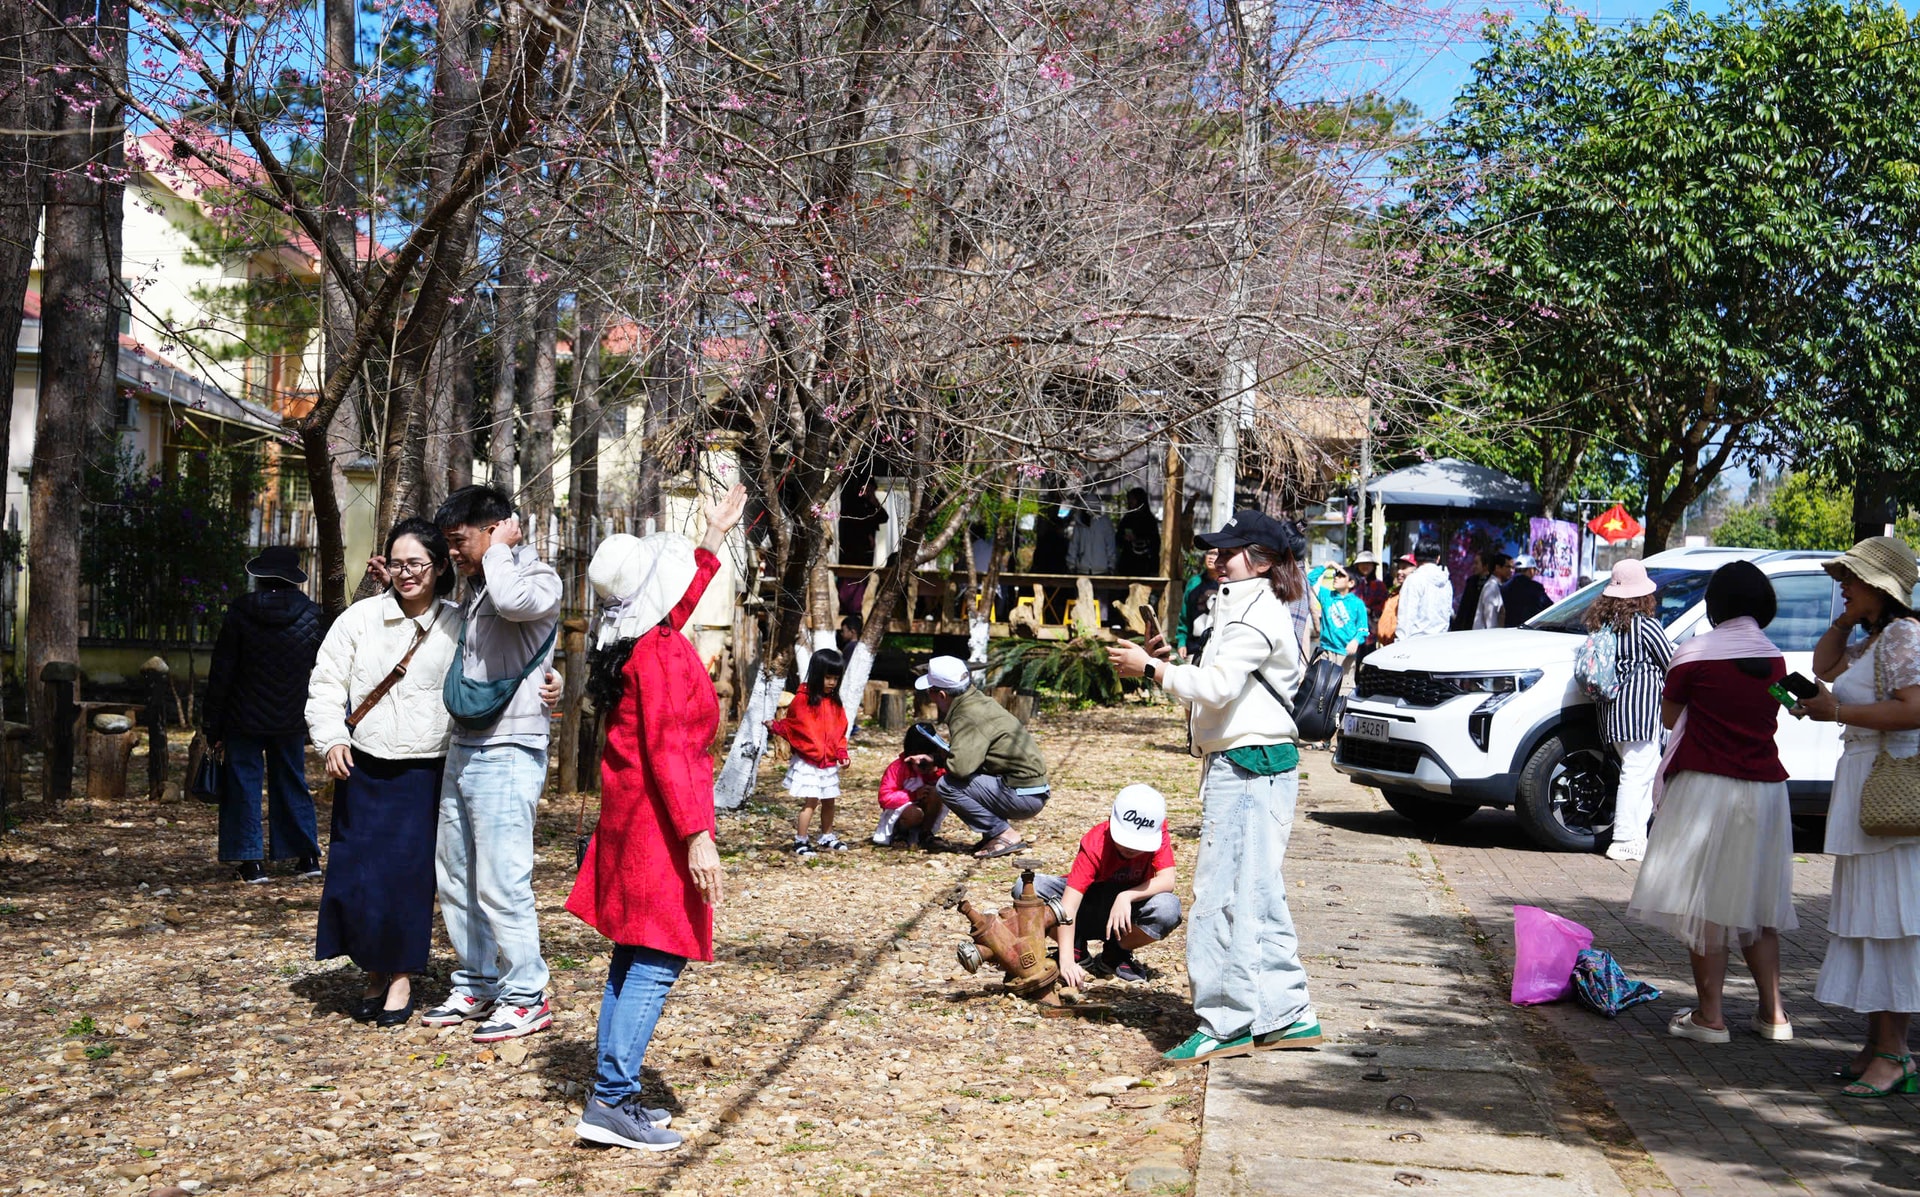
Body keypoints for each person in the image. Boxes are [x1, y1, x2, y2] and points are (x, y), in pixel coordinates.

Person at [1108, 508, 1322, 1063]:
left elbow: (1220, 688)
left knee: (1223, 897)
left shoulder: (1254, 613)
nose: (1216, 558)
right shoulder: (1246, 605)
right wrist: (1172, 663)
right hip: (1255, 762)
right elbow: (1217, 686)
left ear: (1260, 561)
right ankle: (1286, 1013)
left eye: (1227, 551)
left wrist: (1152, 670)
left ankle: (1226, 1023)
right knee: (1262, 895)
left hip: (1249, 766)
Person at [568, 485, 745, 1152]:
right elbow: (672, 751)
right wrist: (699, 838)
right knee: (657, 956)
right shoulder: (664, 652)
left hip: (633, 819)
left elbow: (676, 603)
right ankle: (612, 1098)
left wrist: (714, 536)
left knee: (632, 954)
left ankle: (611, 1094)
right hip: (660, 827)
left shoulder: (637, 639)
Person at [1625, 561, 1795, 1045]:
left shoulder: (1693, 653)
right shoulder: (1775, 659)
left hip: (1706, 787)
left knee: (1707, 907)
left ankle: (1710, 1018)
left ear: (1715, 603)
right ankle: (1775, 1015)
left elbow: (1670, 715)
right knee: (1759, 906)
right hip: (1764, 792)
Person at [422, 485, 563, 1043]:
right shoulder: (481, 585)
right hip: (467, 742)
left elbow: (515, 606)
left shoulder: (535, 579)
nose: (453, 553)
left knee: (503, 880)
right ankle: (477, 981)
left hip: (509, 748)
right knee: (456, 873)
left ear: (496, 528)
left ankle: (527, 994)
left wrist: (503, 547)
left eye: (461, 541)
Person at [308, 519, 463, 1025]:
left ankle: (399, 980)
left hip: (426, 770)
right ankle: (373, 971)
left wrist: (545, 685)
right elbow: (326, 684)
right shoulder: (359, 620)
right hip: (364, 765)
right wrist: (331, 737)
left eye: (417, 563)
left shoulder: (458, 623)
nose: (406, 573)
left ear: (439, 566)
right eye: (397, 563)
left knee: (406, 878)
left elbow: (501, 668)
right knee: (359, 876)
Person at [1793, 535, 1920, 1098]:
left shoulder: (1903, 634)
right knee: (1870, 918)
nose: (1840, 584)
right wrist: (1846, 621)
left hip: (1888, 789)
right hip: (1864, 784)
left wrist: (1837, 711)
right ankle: (1878, 1046)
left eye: (1850, 578)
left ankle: (1895, 1054)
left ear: (1881, 587)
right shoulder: (1874, 639)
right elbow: (1823, 665)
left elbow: (1914, 708)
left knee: (1890, 922)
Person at [204, 545, 325, 885]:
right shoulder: (312, 614)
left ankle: (251, 862)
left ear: (260, 576)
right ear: (293, 578)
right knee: (292, 780)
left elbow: (222, 671)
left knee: (243, 784)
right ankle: (307, 856)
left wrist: (211, 723)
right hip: (291, 717)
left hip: (242, 716)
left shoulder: (240, 612)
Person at [1030, 785, 1182, 987]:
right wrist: (1066, 961)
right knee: (1031, 889)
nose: (1131, 848)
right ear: (1111, 822)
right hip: (1087, 906)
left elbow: (1167, 880)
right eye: (1125, 841)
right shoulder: (1096, 842)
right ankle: (1075, 947)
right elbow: (1069, 906)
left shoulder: (1158, 829)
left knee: (1168, 908)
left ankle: (1116, 951)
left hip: (1126, 916)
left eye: (1139, 844)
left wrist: (1126, 896)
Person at [919, 655, 1050, 858]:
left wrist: (944, 759)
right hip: (1031, 789)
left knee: (947, 785)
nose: (930, 697)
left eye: (931, 692)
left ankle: (1003, 834)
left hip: (1024, 796)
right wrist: (937, 759)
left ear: (942, 695)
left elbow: (960, 769)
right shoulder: (978, 701)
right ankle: (994, 835)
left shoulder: (966, 715)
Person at [1588, 559, 1672, 862]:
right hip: (1641, 713)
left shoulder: (1604, 624)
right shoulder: (1645, 625)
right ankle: (1624, 837)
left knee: (1639, 772)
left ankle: (1637, 836)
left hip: (1612, 713)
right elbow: (1670, 660)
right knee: (1637, 774)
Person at [768, 649, 851, 857]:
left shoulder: (835, 703)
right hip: (809, 761)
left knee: (830, 800)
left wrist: (841, 751)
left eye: (835, 678)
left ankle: (826, 835)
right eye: (827, 677)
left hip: (829, 761)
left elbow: (840, 730)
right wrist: (776, 727)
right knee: (811, 802)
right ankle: (801, 839)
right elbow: (794, 726)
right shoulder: (802, 700)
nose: (832, 682)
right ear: (816, 675)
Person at [873, 723, 949, 847]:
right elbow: (885, 797)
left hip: (926, 811)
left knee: (936, 792)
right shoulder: (898, 768)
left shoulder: (938, 769)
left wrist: (935, 768)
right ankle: (900, 833)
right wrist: (913, 795)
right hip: (904, 812)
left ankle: (926, 834)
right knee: (915, 814)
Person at [1397, 542, 1454, 639]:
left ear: (1416, 558)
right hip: (1440, 640)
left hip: (1416, 642)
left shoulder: (1413, 580)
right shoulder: (1446, 582)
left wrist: (1400, 643)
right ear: (1438, 558)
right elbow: (1448, 613)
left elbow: (1406, 617)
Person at [1174, 549, 1221, 662]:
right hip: (1194, 648)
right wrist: (1181, 642)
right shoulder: (1194, 583)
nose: (1211, 557)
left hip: (1218, 650)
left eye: (1216, 554)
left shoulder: (1228, 584)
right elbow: (1184, 617)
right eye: (1209, 553)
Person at [1116, 487, 1161, 577]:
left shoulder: (1149, 520)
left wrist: (1138, 539)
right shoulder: (1127, 518)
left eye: (1133, 499)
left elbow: (1155, 542)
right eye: (1130, 499)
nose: (1131, 501)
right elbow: (1118, 538)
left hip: (1144, 564)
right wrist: (1125, 538)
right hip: (1128, 563)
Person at [1502, 555, 1553, 627]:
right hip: (1528, 631)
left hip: (1508, 630)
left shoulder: (1504, 587)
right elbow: (1549, 606)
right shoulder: (1536, 588)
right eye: (1534, 570)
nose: (1534, 573)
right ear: (1530, 570)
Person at [1376, 556, 1415, 646]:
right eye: (1398, 568)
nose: (1399, 572)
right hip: (1388, 646)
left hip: (1402, 646)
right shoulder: (1394, 593)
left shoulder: (1413, 595)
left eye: (1404, 568)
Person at [1348, 551, 1388, 638]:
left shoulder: (1379, 585)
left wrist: (1371, 610)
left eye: (1368, 564)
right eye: (1362, 563)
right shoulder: (1350, 583)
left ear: (1373, 566)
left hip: (1371, 630)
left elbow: (1384, 605)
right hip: (1350, 628)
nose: (1365, 566)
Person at [1451, 550, 1492, 632]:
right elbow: (1464, 607)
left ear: (1485, 566)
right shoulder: (1471, 582)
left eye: (1477, 563)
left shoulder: (1492, 583)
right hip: (1468, 627)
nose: (1474, 566)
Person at [1473, 553, 1513, 630]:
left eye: (1512, 568)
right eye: (1508, 567)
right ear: (1497, 568)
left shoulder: (1499, 586)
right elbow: (1490, 621)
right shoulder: (1491, 587)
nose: (1511, 571)